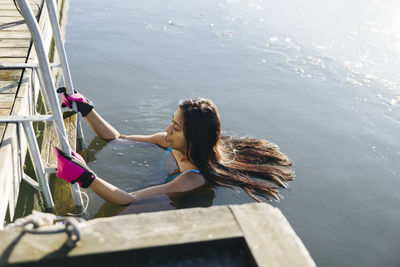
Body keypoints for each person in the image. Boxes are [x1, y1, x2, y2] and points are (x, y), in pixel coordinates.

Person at [54, 88, 294, 206]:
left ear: (193, 139)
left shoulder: (191, 180)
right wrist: (87, 109)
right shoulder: (166, 141)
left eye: (176, 128)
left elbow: (127, 199)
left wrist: (86, 177)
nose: (168, 130)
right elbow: (117, 139)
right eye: (171, 122)